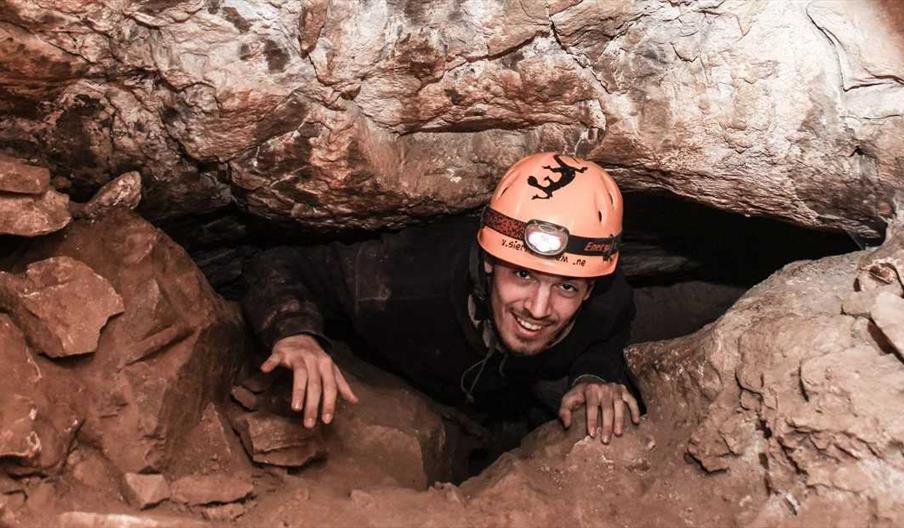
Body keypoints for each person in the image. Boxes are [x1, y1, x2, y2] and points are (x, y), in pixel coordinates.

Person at [242, 152, 641, 445]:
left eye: (566, 287)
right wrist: (295, 332)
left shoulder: (604, 300)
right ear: (488, 262)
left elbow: (612, 328)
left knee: (582, 412)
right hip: (420, 379)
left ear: (590, 289)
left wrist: (596, 374)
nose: (538, 308)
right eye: (522, 274)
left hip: (521, 382)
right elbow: (277, 263)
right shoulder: (402, 282)